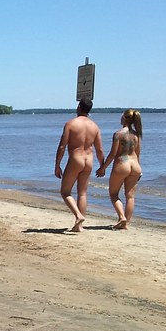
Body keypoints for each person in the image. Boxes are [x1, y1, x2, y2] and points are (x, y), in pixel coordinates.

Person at [55, 99, 104, 232]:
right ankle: (79, 226)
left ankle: (78, 216)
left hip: (76, 159)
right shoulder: (94, 126)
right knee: (82, 193)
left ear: (79, 107)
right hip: (89, 160)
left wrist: (57, 165)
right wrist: (102, 166)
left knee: (65, 192)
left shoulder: (71, 124)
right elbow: (99, 150)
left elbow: (62, 146)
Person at [96, 109, 143, 229]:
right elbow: (138, 154)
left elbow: (112, 154)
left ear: (125, 119)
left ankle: (122, 217)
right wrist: (140, 171)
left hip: (122, 164)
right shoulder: (137, 135)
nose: (120, 118)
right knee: (130, 196)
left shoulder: (118, 134)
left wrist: (102, 168)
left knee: (113, 194)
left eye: (121, 116)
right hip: (135, 165)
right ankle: (125, 224)